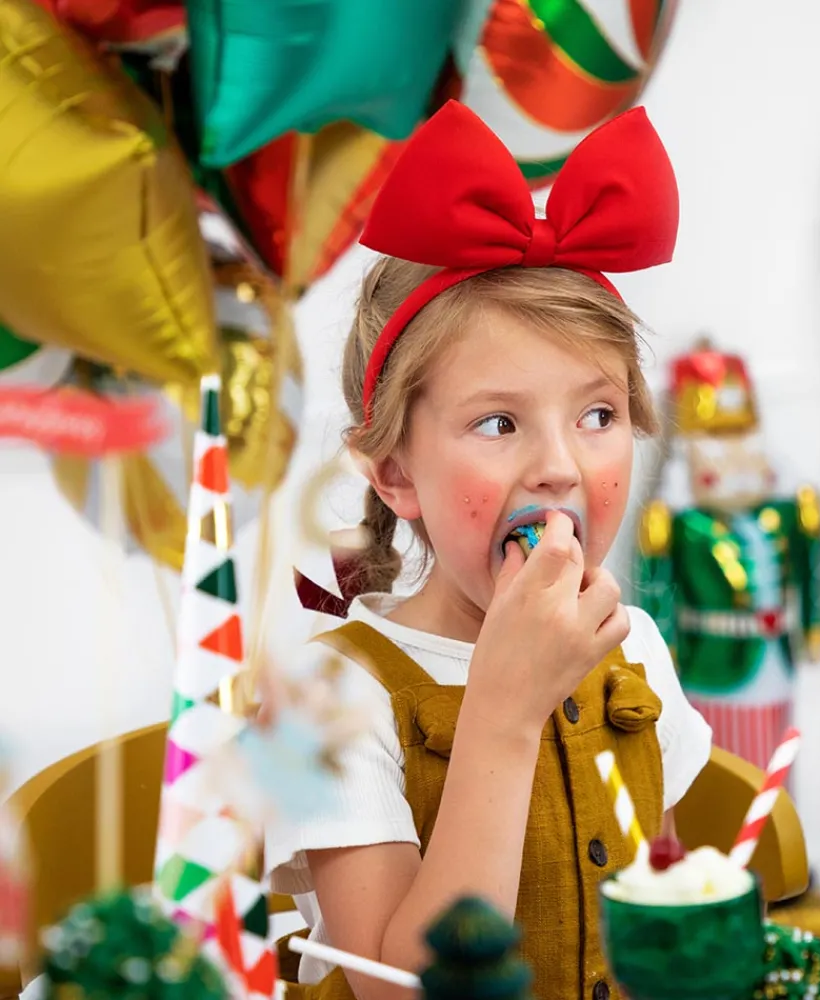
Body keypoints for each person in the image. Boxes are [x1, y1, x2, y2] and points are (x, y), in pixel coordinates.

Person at [266, 100, 712, 1000]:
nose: (558, 468)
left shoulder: (635, 651)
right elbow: (397, 992)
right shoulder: (318, 703)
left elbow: (655, 904)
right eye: (499, 422)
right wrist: (503, 713)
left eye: (599, 415)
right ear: (394, 473)